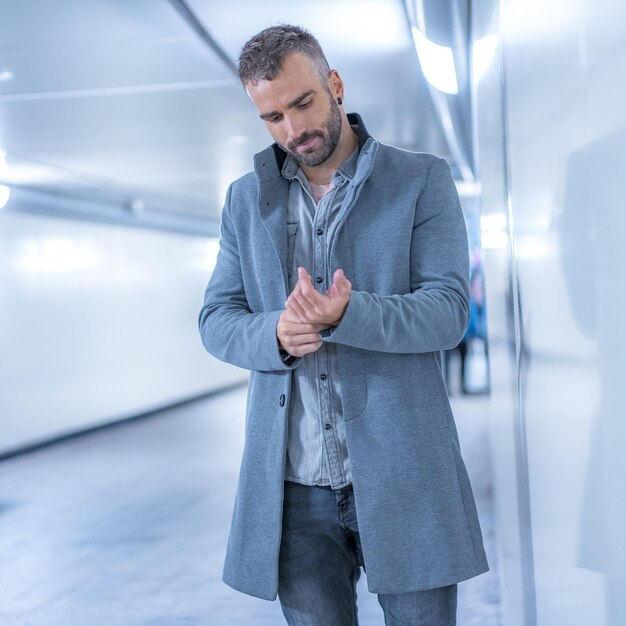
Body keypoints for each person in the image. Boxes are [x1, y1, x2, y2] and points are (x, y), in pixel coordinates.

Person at [199, 24, 489, 626]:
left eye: (302, 103)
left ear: (334, 84)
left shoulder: (420, 180)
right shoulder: (243, 199)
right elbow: (216, 319)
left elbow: (448, 312)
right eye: (272, 116)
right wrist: (275, 335)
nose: (292, 130)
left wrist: (349, 315)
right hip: (294, 489)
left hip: (404, 472)